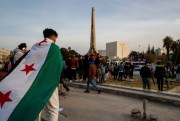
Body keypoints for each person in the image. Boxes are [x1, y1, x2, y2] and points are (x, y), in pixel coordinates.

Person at [36, 28, 61, 121]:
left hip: (35, 83)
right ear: (53, 37)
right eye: (56, 38)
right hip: (49, 82)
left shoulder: (35, 46)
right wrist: (58, 81)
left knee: (36, 108)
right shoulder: (54, 48)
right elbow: (58, 66)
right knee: (53, 109)